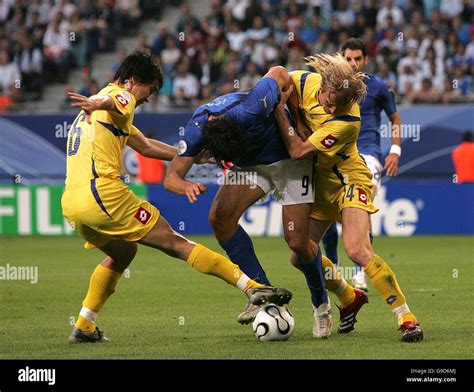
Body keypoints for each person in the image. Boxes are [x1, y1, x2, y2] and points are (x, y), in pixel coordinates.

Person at [62, 49, 292, 343]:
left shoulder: (101, 117)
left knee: (124, 252)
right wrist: (100, 100)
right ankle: (252, 287)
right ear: (133, 81)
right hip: (104, 194)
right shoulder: (119, 97)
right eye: (150, 90)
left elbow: (144, 146)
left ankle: (84, 324)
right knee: (176, 243)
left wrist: (192, 156)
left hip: (73, 203)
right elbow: (119, 100)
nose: (149, 98)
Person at [165, 67, 366, 338]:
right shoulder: (198, 128)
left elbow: (281, 73)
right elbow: (172, 178)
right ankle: (262, 291)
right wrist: (185, 185)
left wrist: (296, 118)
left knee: (297, 242)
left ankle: (320, 303)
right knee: (220, 218)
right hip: (251, 167)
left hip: (289, 160)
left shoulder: (253, 106)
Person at [274, 53, 423, 342]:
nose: (333, 107)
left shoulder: (347, 119)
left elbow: (298, 151)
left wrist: (281, 111)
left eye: (340, 104)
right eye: (331, 100)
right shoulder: (305, 81)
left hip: (350, 178)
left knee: (357, 249)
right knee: (299, 254)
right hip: (323, 184)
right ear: (325, 84)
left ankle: (406, 317)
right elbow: (280, 78)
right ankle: (348, 296)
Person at [322, 38, 403, 292]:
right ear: (341, 59)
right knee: (324, 214)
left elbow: (395, 118)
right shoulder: (332, 87)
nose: (353, 63)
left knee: (361, 209)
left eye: (358, 59)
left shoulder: (379, 87)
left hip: (367, 155)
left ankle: (359, 275)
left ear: (365, 60)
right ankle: (332, 269)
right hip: (336, 154)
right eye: (348, 59)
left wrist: (395, 151)